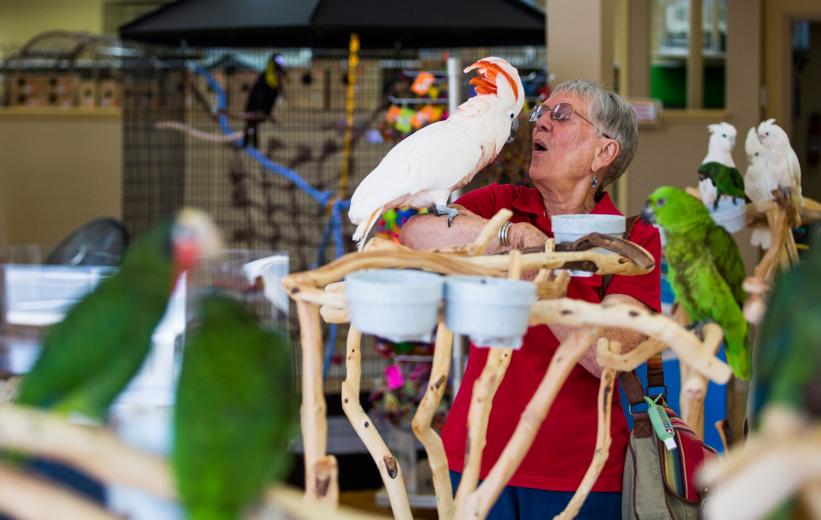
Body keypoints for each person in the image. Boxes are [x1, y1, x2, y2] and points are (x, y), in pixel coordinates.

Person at [399, 79, 662, 519]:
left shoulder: (633, 240)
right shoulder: (502, 205)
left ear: (604, 152)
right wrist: (509, 235)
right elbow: (415, 236)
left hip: (584, 475)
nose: (539, 123)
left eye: (561, 115)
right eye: (540, 113)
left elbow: (609, 355)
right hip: (477, 460)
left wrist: (540, 267)